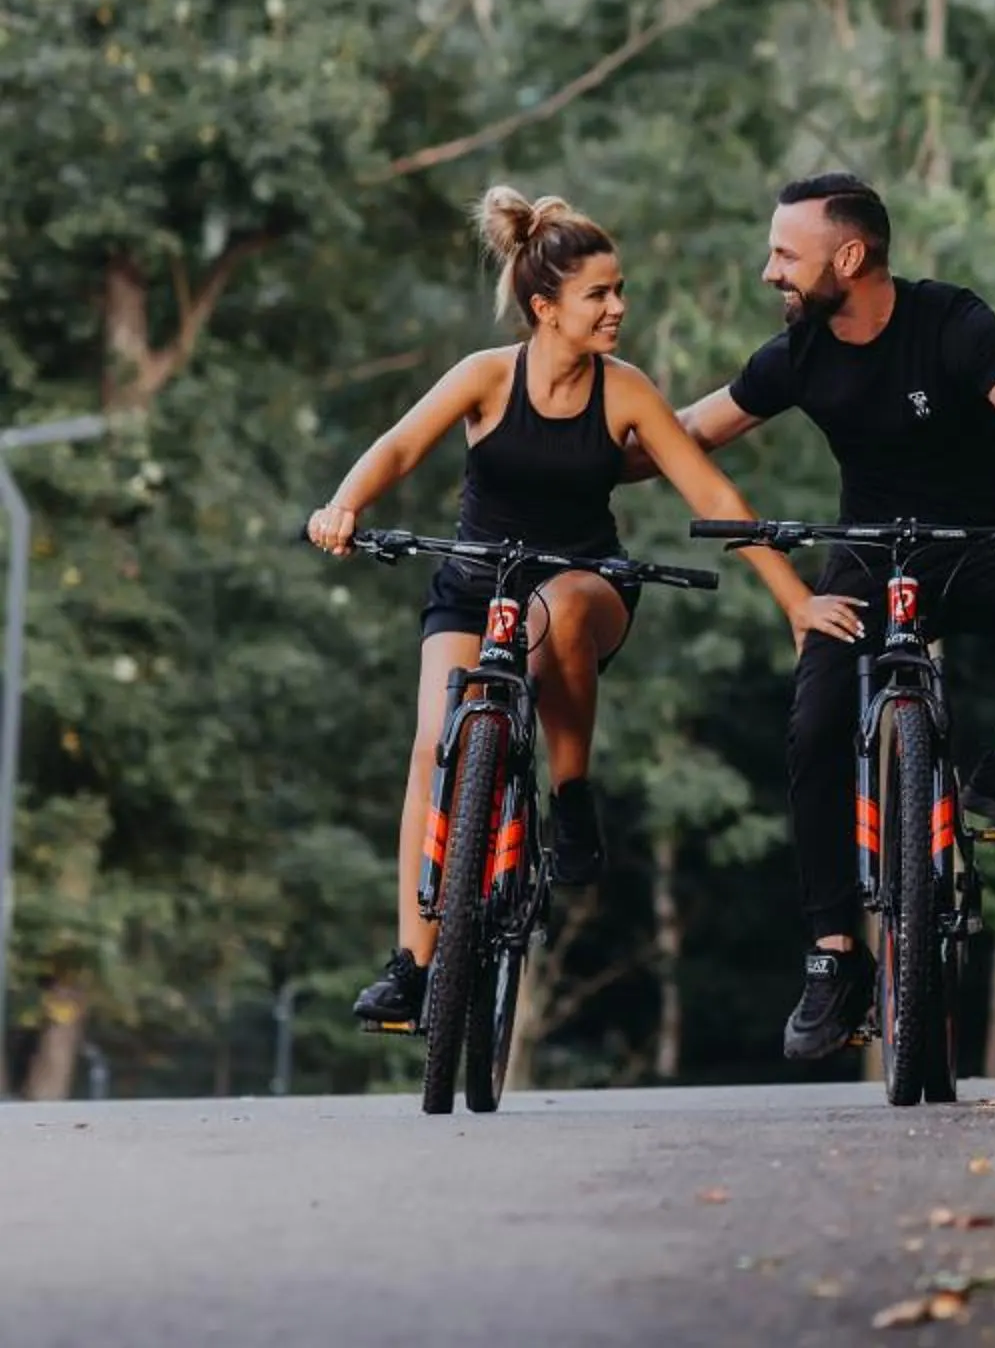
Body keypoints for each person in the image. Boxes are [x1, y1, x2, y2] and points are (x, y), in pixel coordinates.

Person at [307, 188, 858, 1030]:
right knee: (430, 748)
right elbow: (400, 445)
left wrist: (796, 600)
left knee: (562, 603)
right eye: (600, 294)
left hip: (585, 581)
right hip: (476, 582)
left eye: (618, 289)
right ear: (545, 308)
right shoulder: (486, 377)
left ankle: (570, 794)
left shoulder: (625, 392)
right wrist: (343, 505)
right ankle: (412, 968)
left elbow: (712, 490)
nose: (618, 308)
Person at [636, 172, 995, 1060]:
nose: (770, 273)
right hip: (868, 563)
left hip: (980, 552)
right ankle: (835, 955)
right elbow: (688, 432)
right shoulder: (797, 353)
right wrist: (584, 435)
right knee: (815, 726)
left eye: (785, 255)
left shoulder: (952, 322)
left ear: (850, 255)